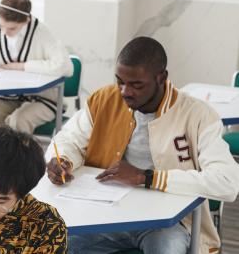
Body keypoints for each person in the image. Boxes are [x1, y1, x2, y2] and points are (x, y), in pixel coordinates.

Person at [46, 36, 239, 254]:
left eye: (136, 84)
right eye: (120, 81)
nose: (125, 91)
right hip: (105, 214)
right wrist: (63, 159)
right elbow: (67, 139)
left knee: (165, 249)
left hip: (167, 223)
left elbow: (228, 182)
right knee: (54, 244)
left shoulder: (197, 115)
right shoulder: (105, 100)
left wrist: (146, 177)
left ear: (161, 77)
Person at [0, 0, 72, 137]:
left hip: (43, 100)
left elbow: (66, 67)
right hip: (6, 97)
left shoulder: (43, 33)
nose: (5, 33)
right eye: (2, 26)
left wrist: (23, 66)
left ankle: (16, 160)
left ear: (26, 20)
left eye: (12, 28)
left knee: (18, 121)